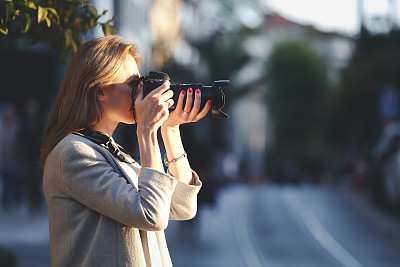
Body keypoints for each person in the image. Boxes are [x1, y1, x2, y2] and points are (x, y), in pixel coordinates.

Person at [40, 35, 211, 267]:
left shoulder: (110, 151)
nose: (142, 93)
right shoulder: (74, 153)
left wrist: (169, 130)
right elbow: (151, 214)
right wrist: (147, 130)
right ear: (100, 91)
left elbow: (182, 206)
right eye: (134, 85)